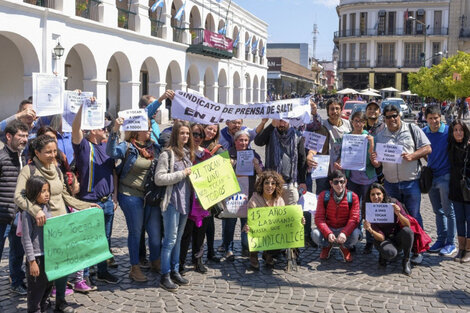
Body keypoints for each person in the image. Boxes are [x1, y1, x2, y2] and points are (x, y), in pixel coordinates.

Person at [15, 135, 98, 313]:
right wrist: (35, 210)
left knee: (63, 265)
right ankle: (39, 304)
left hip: (62, 224)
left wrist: (86, 205)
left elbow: (65, 195)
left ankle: (61, 301)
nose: (53, 155)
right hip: (43, 226)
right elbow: (18, 196)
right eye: (48, 152)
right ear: (37, 152)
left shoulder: (57, 168)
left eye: (55, 151)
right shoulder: (29, 171)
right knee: (44, 270)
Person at [371, 104, 431, 264]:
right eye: (388, 116)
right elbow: (378, 163)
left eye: (394, 115)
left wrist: (412, 156)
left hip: (411, 182)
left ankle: (417, 250)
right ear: (384, 118)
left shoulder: (412, 129)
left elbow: (427, 148)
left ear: (400, 115)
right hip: (390, 184)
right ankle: (398, 248)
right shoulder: (381, 135)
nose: (392, 119)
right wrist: (375, 161)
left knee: (414, 216)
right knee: (392, 218)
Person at [106, 117, 161, 282]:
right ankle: (134, 267)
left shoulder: (154, 147)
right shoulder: (128, 146)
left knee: (155, 232)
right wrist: (115, 129)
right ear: (137, 130)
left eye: (150, 128)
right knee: (136, 232)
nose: (150, 131)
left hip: (150, 196)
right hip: (130, 194)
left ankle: (155, 261)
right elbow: (111, 152)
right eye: (147, 128)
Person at [72, 103, 119, 284]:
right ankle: (83, 276)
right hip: (89, 201)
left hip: (107, 201)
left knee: (105, 239)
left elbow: (113, 172)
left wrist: (114, 196)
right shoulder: (83, 146)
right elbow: (76, 128)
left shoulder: (107, 148)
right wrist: (82, 106)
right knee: (87, 240)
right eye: (102, 128)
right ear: (92, 131)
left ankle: (102, 271)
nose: (105, 130)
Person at [154, 121, 194, 292]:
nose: (185, 136)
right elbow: (159, 178)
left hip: (185, 202)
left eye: (187, 133)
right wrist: (182, 174)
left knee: (178, 239)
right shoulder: (167, 154)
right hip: (171, 202)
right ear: (175, 134)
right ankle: (165, 274)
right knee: (169, 240)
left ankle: (175, 270)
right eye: (182, 133)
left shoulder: (186, 154)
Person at [244, 171, 304, 269]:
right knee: (248, 234)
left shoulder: (279, 200)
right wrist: (248, 226)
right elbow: (251, 220)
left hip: (272, 232)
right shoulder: (254, 200)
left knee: (280, 236)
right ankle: (253, 255)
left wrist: (299, 221)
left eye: (273, 183)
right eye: (266, 183)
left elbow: (285, 221)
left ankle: (268, 254)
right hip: (258, 232)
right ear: (261, 185)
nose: (270, 186)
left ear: (276, 186)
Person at [223, 130, 263, 261]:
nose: (243, 143)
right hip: (233, 195)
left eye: (246, 140)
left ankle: (246, 247)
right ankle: (228, 248)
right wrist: (227, 166)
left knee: (246, 223)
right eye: (241, 140)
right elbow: (220, 175)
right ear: (235, 141)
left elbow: (262, 175)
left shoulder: (253, 154)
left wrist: (257, 165)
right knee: (230, 223)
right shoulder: (228, 154)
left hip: (249, 194)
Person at [179, 123, 213, 274]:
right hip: (187, 198)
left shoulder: (207, 154)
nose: (197, 138)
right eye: (194, 134)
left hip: (203, 200)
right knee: (186, 233)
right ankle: (180, 262)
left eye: (200, 135)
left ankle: (197, 260)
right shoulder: (183, 153)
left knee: (201, 231)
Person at [423, 105, 456, 256]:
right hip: (431, 177)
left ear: (440, 117)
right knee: (437, 211)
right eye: (431, 118)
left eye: (436, 118)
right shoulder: (424, 132)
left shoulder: (449, 131)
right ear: (426, 119)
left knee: (449, 211)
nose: (434, 121)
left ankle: (450, 243)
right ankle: (441, 240)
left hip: (446, 176)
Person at [0, 120, 29, 295]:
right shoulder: (2, 158)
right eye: (21, 136)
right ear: (9, 136)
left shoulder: (23, 157)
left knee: (18, 252)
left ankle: (17, 281)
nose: (25, 139)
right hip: (2, 215)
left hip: (19, 215)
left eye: (26, 136)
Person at [362, 183, 414, 276]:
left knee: (408, 232)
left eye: (378, 194)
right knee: (390, 253)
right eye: (372, 194)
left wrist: (398, 213)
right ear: (369, 196)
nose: (376, 197)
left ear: (383, 194)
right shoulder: (369, 209)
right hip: (382, 239)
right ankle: (383, 255)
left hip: (397, 236)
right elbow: (381, 238)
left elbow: (408, 225)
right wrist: (370, 230)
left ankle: (406, 260)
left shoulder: (393, 202)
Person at [254, 119, 307, 205]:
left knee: (291, 214)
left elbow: (302, 159)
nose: (281, 124)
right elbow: (258, 142)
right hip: (272, 185)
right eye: (279, 121)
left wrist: (303, 181)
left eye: (284, 121)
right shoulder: (270, 132)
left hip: (290, 184)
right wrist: (271, 125)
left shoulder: (297, 135)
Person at [21, 176, 54, 313]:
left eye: (48, 191)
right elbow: (26, 239)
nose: (47, 194)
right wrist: (32, 261)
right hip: (37, 257)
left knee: (47, 287)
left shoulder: (47, 207)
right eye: (43, 191)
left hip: (49, 256)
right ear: (34, 192)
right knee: (36, 292)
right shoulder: (28, 213)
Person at [313, 170, 361, 262]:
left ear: (346, 182)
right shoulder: (324, 195)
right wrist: (328, 233)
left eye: (342, 182)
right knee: (315, 234)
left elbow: (354, 219)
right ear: (331, 183)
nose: (339, 185)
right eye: (336, 182)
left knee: (356, 234)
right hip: (329, 227)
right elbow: (319, 218)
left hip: (344, 228)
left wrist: (344, 233)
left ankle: (344, 247)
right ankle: (327, 246)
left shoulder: (353, 196)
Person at [201, 124, 224, 262]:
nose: (211, 132)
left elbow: (224, 169)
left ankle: (210, 251)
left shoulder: (218, 149)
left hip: (209, 189)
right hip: (193, 188)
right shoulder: (195, 143)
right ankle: (196, 252)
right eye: (209, 128)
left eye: (214, 130)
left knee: (209, 222)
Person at [448, 121, 470, 263]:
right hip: (455, 188)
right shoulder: (451, 146)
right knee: (460, 219)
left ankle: (468, 250)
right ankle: (461, 248)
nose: (458, 132)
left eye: (461, 130)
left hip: (469, 188)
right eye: (455, 130)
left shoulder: (469, 146)